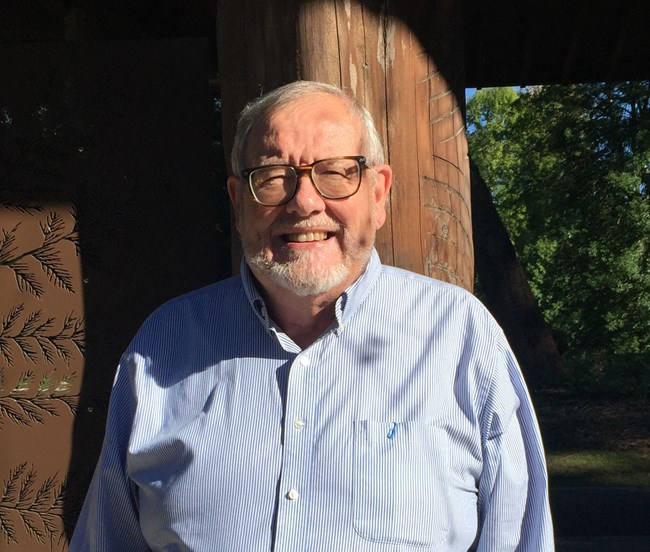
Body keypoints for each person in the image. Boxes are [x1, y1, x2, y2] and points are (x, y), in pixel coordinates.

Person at [70, 80, 554, 551]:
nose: (304, 201)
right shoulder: (163, 345)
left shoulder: (460, 336)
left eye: (337, 172)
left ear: (378, 194)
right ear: (239, 201)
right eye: (273, 176)